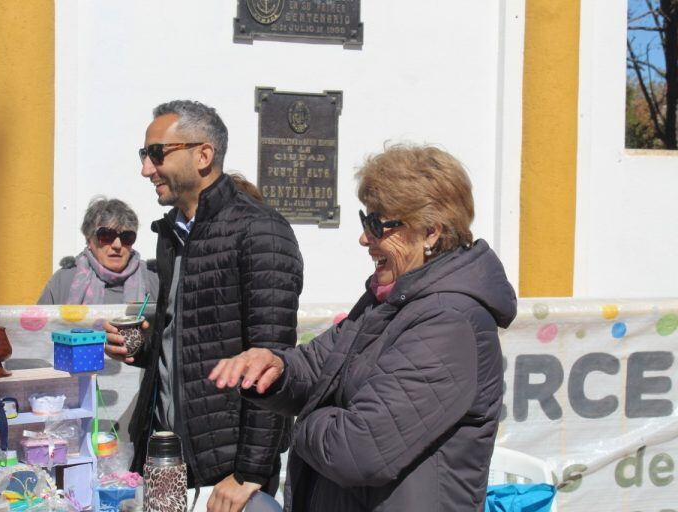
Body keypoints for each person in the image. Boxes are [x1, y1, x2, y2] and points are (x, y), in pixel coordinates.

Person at [210, 144, 517, 511]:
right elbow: (318, 365)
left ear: (430, 232)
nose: (363, 238)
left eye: (377, 225)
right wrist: (276, 370)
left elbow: (357, 450)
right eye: (364, 220)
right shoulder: (389, 300)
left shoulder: (450, 322)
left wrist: (306, 417)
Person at [104, 100, 303, 512]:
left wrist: (248, 472)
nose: (146, 169)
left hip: (226, 473)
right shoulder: (173, 233)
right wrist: (145, 347)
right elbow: (196, 336)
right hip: (166, 457)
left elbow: (273, 362)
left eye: (156, 154)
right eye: (144, 155)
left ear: (204, 155)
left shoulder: (260, 230)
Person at [38, 196, 158, 305]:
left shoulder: (153, 279)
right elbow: (41, 325)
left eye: (127, 237)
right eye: (106, 235)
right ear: (89, 239)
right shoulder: (64, 281)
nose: (117, 245)